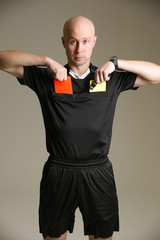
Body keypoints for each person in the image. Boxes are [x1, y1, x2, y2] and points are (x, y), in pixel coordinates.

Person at [0, 16, 160, 240]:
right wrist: (46, 60)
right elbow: (2, 59)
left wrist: (115, 64)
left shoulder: (106, 78)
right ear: (64, 42)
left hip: (98, 172)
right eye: (73, 41)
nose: (79, 49)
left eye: (85, 41)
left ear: (94, 42)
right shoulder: (49, 77)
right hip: (58, 172)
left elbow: (157, 74)